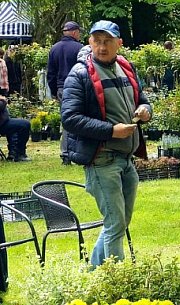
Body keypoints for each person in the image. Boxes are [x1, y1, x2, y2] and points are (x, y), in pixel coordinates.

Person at [61, 20, 152, 266]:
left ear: (118, 43)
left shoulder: (126, 68)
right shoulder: (79, 74)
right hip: (102, 160)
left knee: (119, 223)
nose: (102, 47)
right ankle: (116, 282)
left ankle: (95, 273)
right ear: (89, 42)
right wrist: (111, 131)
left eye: (107, 41)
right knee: (115, 223)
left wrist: (145, 110)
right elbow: (70, 118)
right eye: (97, 41)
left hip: (127, 159)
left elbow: (142, 100)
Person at [48, 21, 83, 165]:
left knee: (67, 120)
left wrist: (54, 91)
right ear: (74, 32)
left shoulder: (54, 48)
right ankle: (75, 152)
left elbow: (50, 74)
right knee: (81, 119)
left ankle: (66, 154)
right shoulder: (80, 48)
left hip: (62, 88)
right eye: (79, 32)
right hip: (79, 88)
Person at [0, 94, 31, 161]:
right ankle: (19, 154)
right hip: (2, 124)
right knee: (24, 125)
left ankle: (13, 154)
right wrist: (3, 100)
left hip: (4, 122)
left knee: (16, 126)